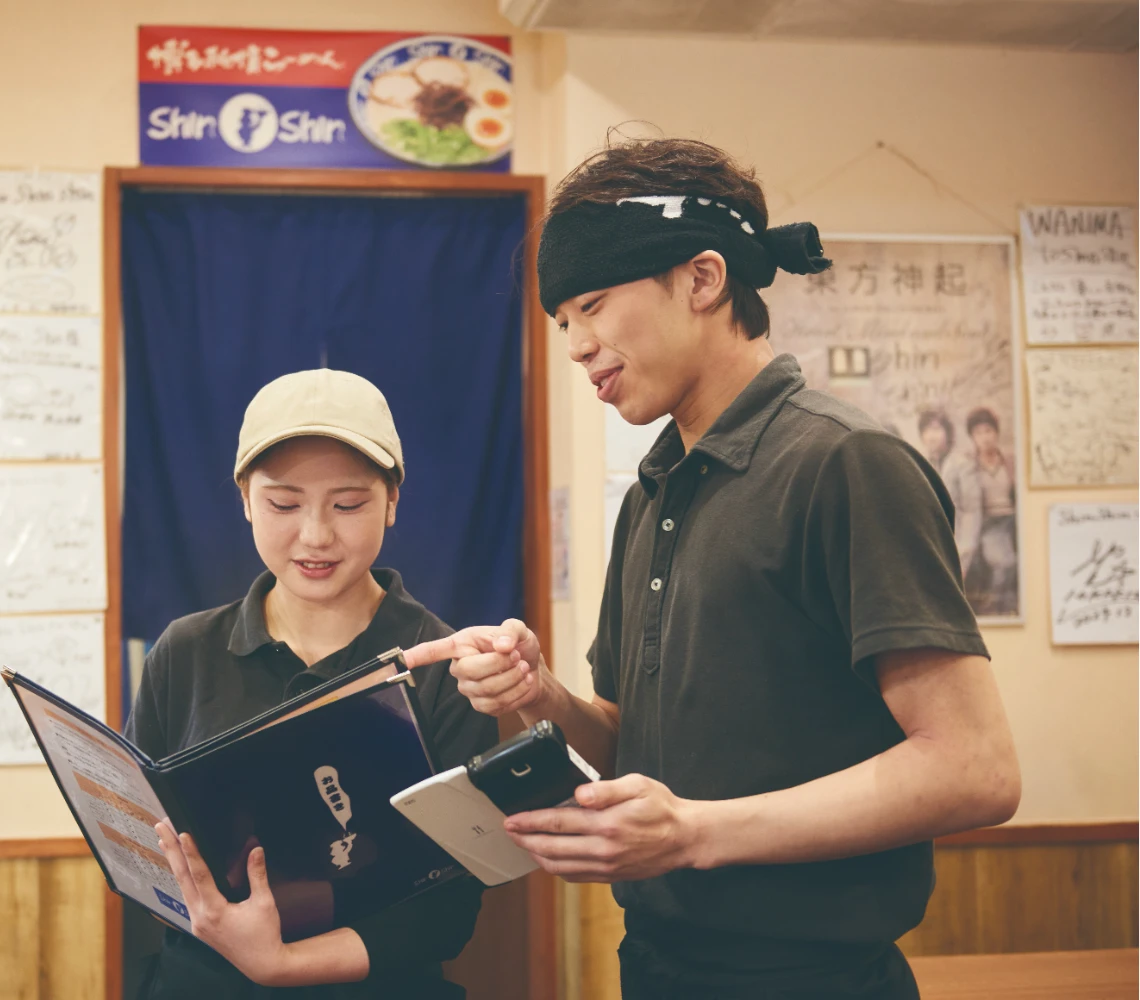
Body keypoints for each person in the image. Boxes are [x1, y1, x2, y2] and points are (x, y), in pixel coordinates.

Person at [405, 136, 1021, 999]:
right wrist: (539, 694)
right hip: (658, 964)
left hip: (813, 978)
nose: (576, 345)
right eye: (563, 322)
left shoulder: (845, 463)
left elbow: (974, 768)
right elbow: (631, 741)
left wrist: (693, 832)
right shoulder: (652, 492)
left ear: (703, 279)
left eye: (592, 304)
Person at [127, 368, 497, 999]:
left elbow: (451, 905)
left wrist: (281, 964)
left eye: (347, 505)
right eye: (284, 504)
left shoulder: (444, 666)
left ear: (392, 501)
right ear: (246, 499)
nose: (316, 535)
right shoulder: (184, 652)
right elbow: (141, 841)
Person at [945, 407, 1018, 616]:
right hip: (989, 525)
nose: (985, 438)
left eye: (988, 431)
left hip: (1013, 521)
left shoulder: (1010, 462)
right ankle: (994, 609)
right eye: (978, 433)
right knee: (1004, 563)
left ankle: (1009, 607)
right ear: (972, 437)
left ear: (996, 432)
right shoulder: (969, 466)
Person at [916, 408, 955, 475]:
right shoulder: (920, 463)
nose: (931, 436)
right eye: (926, 431)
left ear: (947, 433)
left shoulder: (961, 464)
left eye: (935, 429)